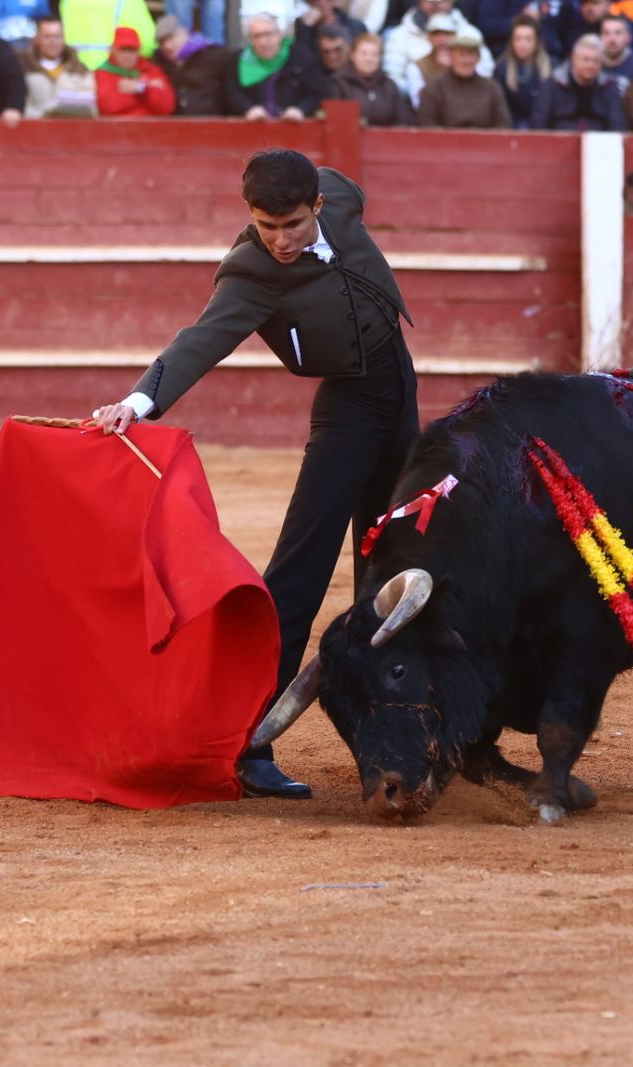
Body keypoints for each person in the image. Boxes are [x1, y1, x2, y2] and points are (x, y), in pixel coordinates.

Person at [91, 149, 418, 801]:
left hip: (401, 398)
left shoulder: (341, 196)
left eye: (291, 225)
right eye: (266, 226)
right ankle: (247, 741)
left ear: (317, 206)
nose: (279, 240)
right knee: (299, 572)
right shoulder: (252, 269)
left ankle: (394, 737)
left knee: (392, 571)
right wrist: (137, 401)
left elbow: (346, 184)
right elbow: (200, 338)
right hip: (349, 411)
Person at [224, 15, 328, 121]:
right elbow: (232, 92)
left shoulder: (302, 58)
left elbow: (316, 93)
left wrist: (300, 109)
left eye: (268, 34)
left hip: (294, 126)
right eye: (256, 36)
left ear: (280, 35)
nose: (263, 42)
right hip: (253, 126)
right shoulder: (239, 60)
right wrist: (248, 109)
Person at [417, 28, 513, 124]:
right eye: (461, 55)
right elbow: (427, 124)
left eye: (471, 55)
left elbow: (503, 124)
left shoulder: (492, 88)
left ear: (478, 58)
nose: (466, 61)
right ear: (451, 57)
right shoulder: (435, 87)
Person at [383, 0, 490, 84]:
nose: (435, 4)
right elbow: (393, 78)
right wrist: (418, 89)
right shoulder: (400, 35)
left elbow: (486, 71)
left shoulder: (470, 33)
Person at [153, 13, 231, 115]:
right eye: (161, 42)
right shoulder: (158, 62)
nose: (167, 46)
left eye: (170, 38)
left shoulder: (214, 56)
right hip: (175, 126)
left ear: (184, 33)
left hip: (212, 123)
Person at [19, 15, 97, 117]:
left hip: (70, 129)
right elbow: (17, 106)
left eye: (57, 36)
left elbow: (91, 106)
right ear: (37, 39)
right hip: (34, 129)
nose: (53, 41)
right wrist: (43, 115)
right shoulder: (22, 67)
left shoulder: (79, 68)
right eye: (47, 36)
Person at [331, 30, 416, 123]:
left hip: (385, 137)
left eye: (374, 54)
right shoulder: (339, 83)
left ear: (380, 58)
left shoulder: (389, 85)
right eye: (364, 53)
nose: (369, 59)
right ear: (352, 55)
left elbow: (403, 119)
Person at [95, 25, 177, 114]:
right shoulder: (103, 73)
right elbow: (106, 107)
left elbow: (166, 107)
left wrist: (141, 88)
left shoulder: (151, 70)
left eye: (132, 50)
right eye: (123, 50)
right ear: (113, 50)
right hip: (114, 127)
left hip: (148, 127)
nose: (127, 55)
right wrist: (145, 91)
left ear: (138, 51)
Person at [61, 0, 157, 71]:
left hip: (73, 70)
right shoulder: (130, 2)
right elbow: (149, 44)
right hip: (113, 72)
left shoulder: (67, 2)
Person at [403, 12, 458, 104]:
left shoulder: (467, 62)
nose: (442, 39)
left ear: (455, 36)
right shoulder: (416, 66)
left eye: (447, 34)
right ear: (428, 37)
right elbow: (419, 103)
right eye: (436, 34)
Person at [599, 14, 633, 85]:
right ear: (600, 37)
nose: (612, 39)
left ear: (628, 37)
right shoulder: (592, 63)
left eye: (618, 33)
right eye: (606, 33)